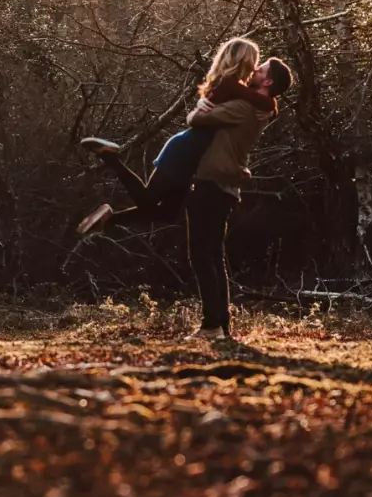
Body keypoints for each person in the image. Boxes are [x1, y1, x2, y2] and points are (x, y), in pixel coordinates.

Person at [75, 37, 276, 235]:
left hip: (190, 154)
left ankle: (107, 219)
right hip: (184, 152)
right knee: (147, 198)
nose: (255, 68)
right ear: (244, 61)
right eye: (255, 63)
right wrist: (271, 105)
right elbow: (259, 101)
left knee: (168, 214)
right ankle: (109, 156)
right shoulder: (230, 86)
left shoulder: (227, 86)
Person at [183, 56, 293, 341]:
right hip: (225, 185)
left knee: (201, 254)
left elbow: (198, 120)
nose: (254, 70)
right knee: (213, 256)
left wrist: (198, 107)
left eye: (260, 69)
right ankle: (220, 326)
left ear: (267, 81)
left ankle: (211, 326)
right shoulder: (256, 108)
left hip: (213, 183)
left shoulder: (244, 107)